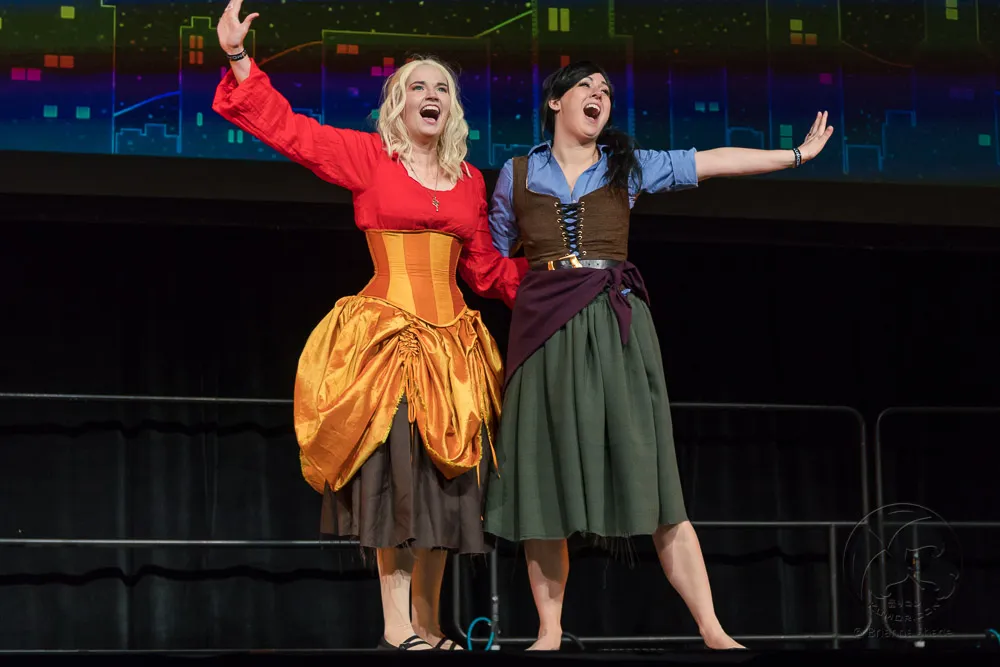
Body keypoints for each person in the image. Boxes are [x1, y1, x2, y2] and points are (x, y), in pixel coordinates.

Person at [483, 61, 834, 651]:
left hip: (614, 323)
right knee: (541, 481)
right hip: (543, 329)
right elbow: (486, 256)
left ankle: (713, 629)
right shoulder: (516, 175)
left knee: (655, 477)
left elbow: (713, 160)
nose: (599, 96)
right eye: (586, 88)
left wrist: (795, 156)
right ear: (555, 104)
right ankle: (548, 631)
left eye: (606, 92)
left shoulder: (628, 166)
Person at [212, 0, 528, 652]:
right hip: (389, 340)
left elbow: (487, 272)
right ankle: (395, 626)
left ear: (452, 109)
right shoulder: (370, 159)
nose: (431, 94)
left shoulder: (470, 181)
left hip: (452, 352)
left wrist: (559, 281)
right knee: (396, 482)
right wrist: (241, 60)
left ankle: (432, 624)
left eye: (442, 86)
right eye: (418, 86)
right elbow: (291, 131)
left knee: (447, 488)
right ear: (398, 105)